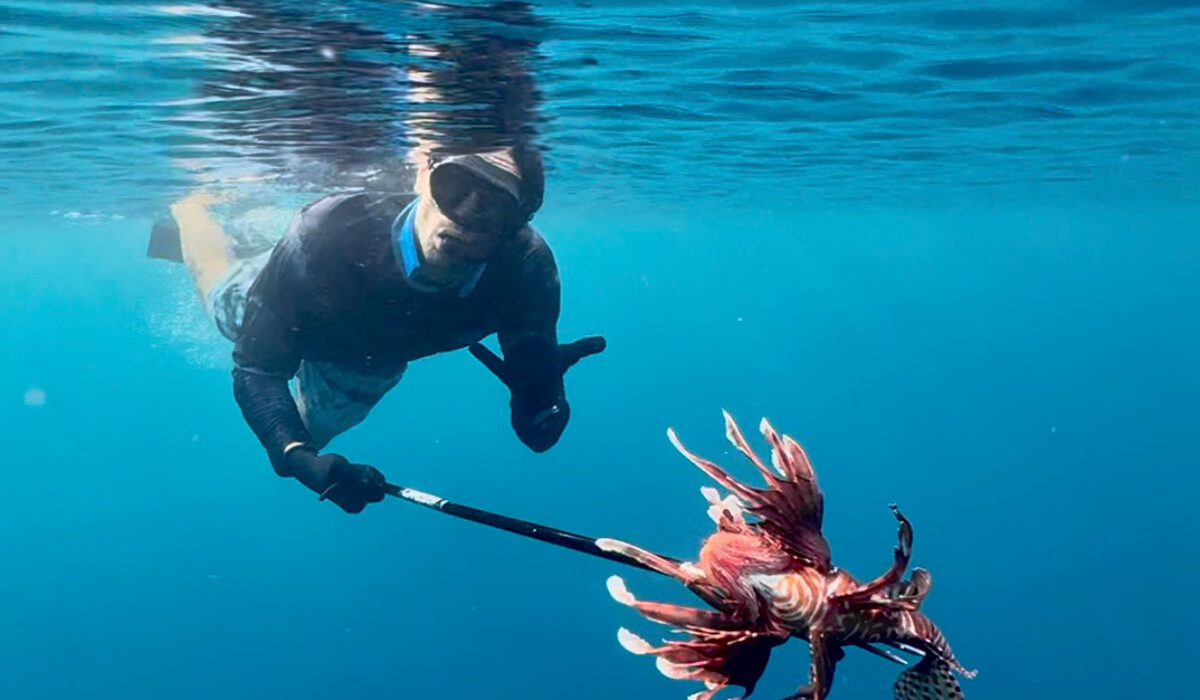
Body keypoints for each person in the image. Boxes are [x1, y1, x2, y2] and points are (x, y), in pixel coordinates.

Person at [162, 142, 605, 515]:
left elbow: (537, 424)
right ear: (422, 175)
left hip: (368, 363)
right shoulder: (331, 229)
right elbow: (258, 369)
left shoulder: (524, 270)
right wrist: (293, 457)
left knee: (306, 435)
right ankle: (191, 212)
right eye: (457, 188)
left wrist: (538, 395)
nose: (467, 218)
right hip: (310, 312)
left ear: (517, 226)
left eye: (496, 208)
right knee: (227, 306)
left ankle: (259, 229)